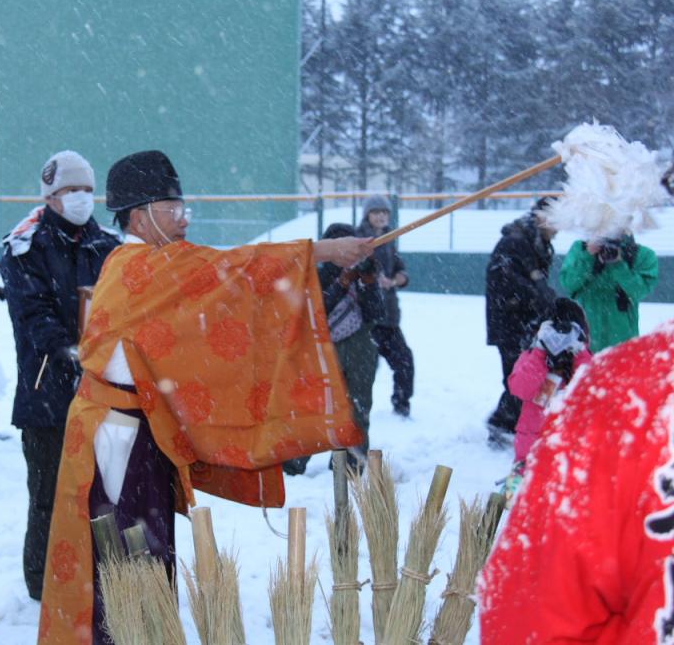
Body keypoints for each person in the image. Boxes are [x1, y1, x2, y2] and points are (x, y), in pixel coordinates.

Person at [36, 150, 374, 644]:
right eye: (172, 206)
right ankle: (126, 635)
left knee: (137, 550)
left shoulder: (148, 261)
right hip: (117, 437)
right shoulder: (143, 266)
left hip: (131, 430)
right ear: (139, 215)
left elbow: (227, 272)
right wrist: (324, 252)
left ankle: (139, 632)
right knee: (127, 553)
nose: (183, 216)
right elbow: (235, 268)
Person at [480, 323, 674, 642]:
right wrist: (542, 355)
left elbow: (528, 617)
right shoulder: (616, 389)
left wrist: (576, 355)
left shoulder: (616, 385)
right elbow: (520, 387)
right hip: (531, 449)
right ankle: (492, 526)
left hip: (564, 459)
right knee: (516, 502)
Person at [0, 150, 120, 601]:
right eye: (71, 190)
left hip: (103, 391)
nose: (81, 198)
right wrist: (75, 350)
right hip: (46, 392)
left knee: (105, 491)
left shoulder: (107, 245)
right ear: (50, 196)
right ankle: (44, 582)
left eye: (88, 190)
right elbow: (33, 315)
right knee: (49, 494)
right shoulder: (24, 246)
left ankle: (106, 578)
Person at [284, 223, 385, 475]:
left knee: (357, 408)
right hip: (319, 346)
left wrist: (369, 281)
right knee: (312, 408)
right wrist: (342, 283)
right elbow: (317, 309)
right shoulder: (315, 274)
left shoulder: (366, 271)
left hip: (359, 345)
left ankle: (350, 465)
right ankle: (293, 464)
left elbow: (377, 313)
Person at [501, 298, 592, 502]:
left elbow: (589, 389)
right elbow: (521, 388)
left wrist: (578, 351)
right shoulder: (533, 356)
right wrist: (541, 351)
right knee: (515, 506)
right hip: (529, 453)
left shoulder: (583, 361)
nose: (560, 339)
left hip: (570, 451)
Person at [484, 198, 558, 450]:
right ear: (539, 216)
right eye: (554, 218)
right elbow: (505, 280)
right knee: (518, 375)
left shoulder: (538, 243)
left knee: (526, 373)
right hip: (510, 322)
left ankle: (508, 422)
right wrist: (539, 294)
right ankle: (502, 423)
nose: (558, 226)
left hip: (526, 321)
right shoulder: (515, 241)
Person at [355, 195, 414, 417]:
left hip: (389, 317)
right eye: (376, 212)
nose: (381, 216)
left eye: (385, 212)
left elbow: (401, 269)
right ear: (367, 215)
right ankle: (358, 409)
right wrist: (371, 279)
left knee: (405, 362)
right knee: (364, 369)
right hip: (365, 320)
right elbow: (353, 270)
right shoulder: (358, 239)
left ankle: (401, 405)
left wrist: (397, 279)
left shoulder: (389, 239)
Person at [560, 232, 658, 352]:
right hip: (586, 341)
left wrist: (619, 265)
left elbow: (639, 291)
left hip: (623, 341)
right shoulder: (581, 248)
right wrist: (588, 256)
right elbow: (569, 283)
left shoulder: (642, 255)